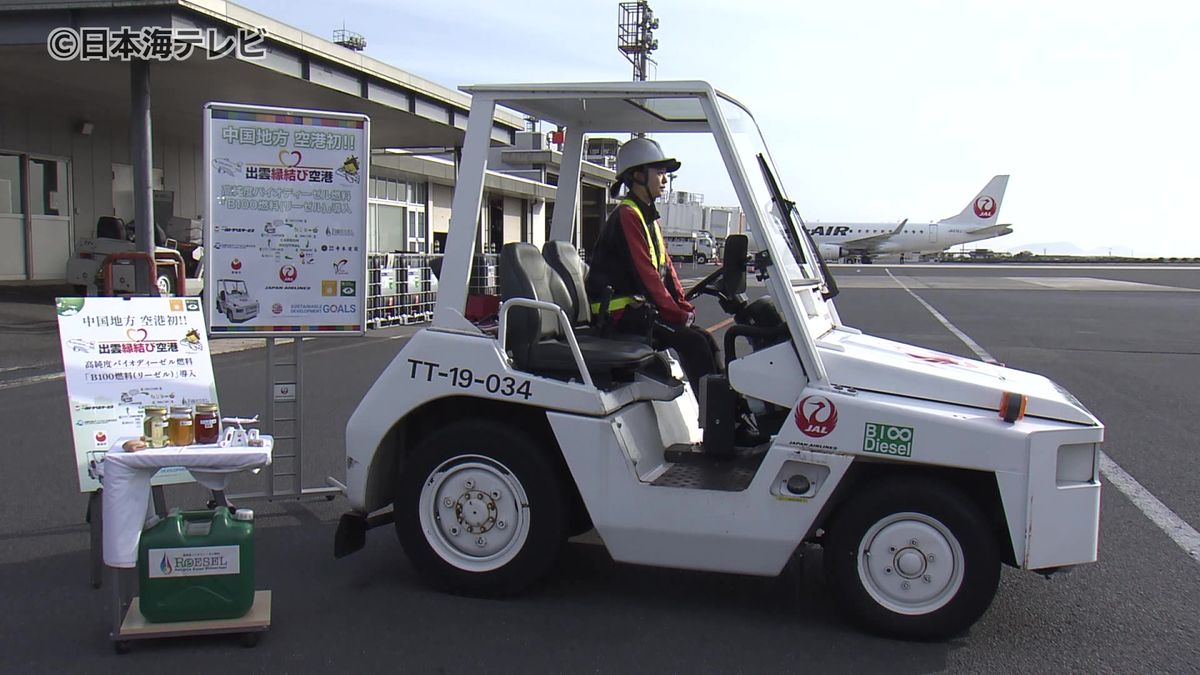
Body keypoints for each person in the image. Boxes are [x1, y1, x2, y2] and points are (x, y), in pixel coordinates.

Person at [586, 138, 721, 391]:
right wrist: (676, 314)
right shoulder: (627, 216)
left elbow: (666, 270)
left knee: (704, 339)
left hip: (637, 312)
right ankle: (716, 423)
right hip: (617, 317)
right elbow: (646, 275)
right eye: (659, 172)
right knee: (694, 344)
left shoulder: (647, 218)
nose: (665, 179)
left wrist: (683, 307)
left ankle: (725, 412)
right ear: (637, 175)